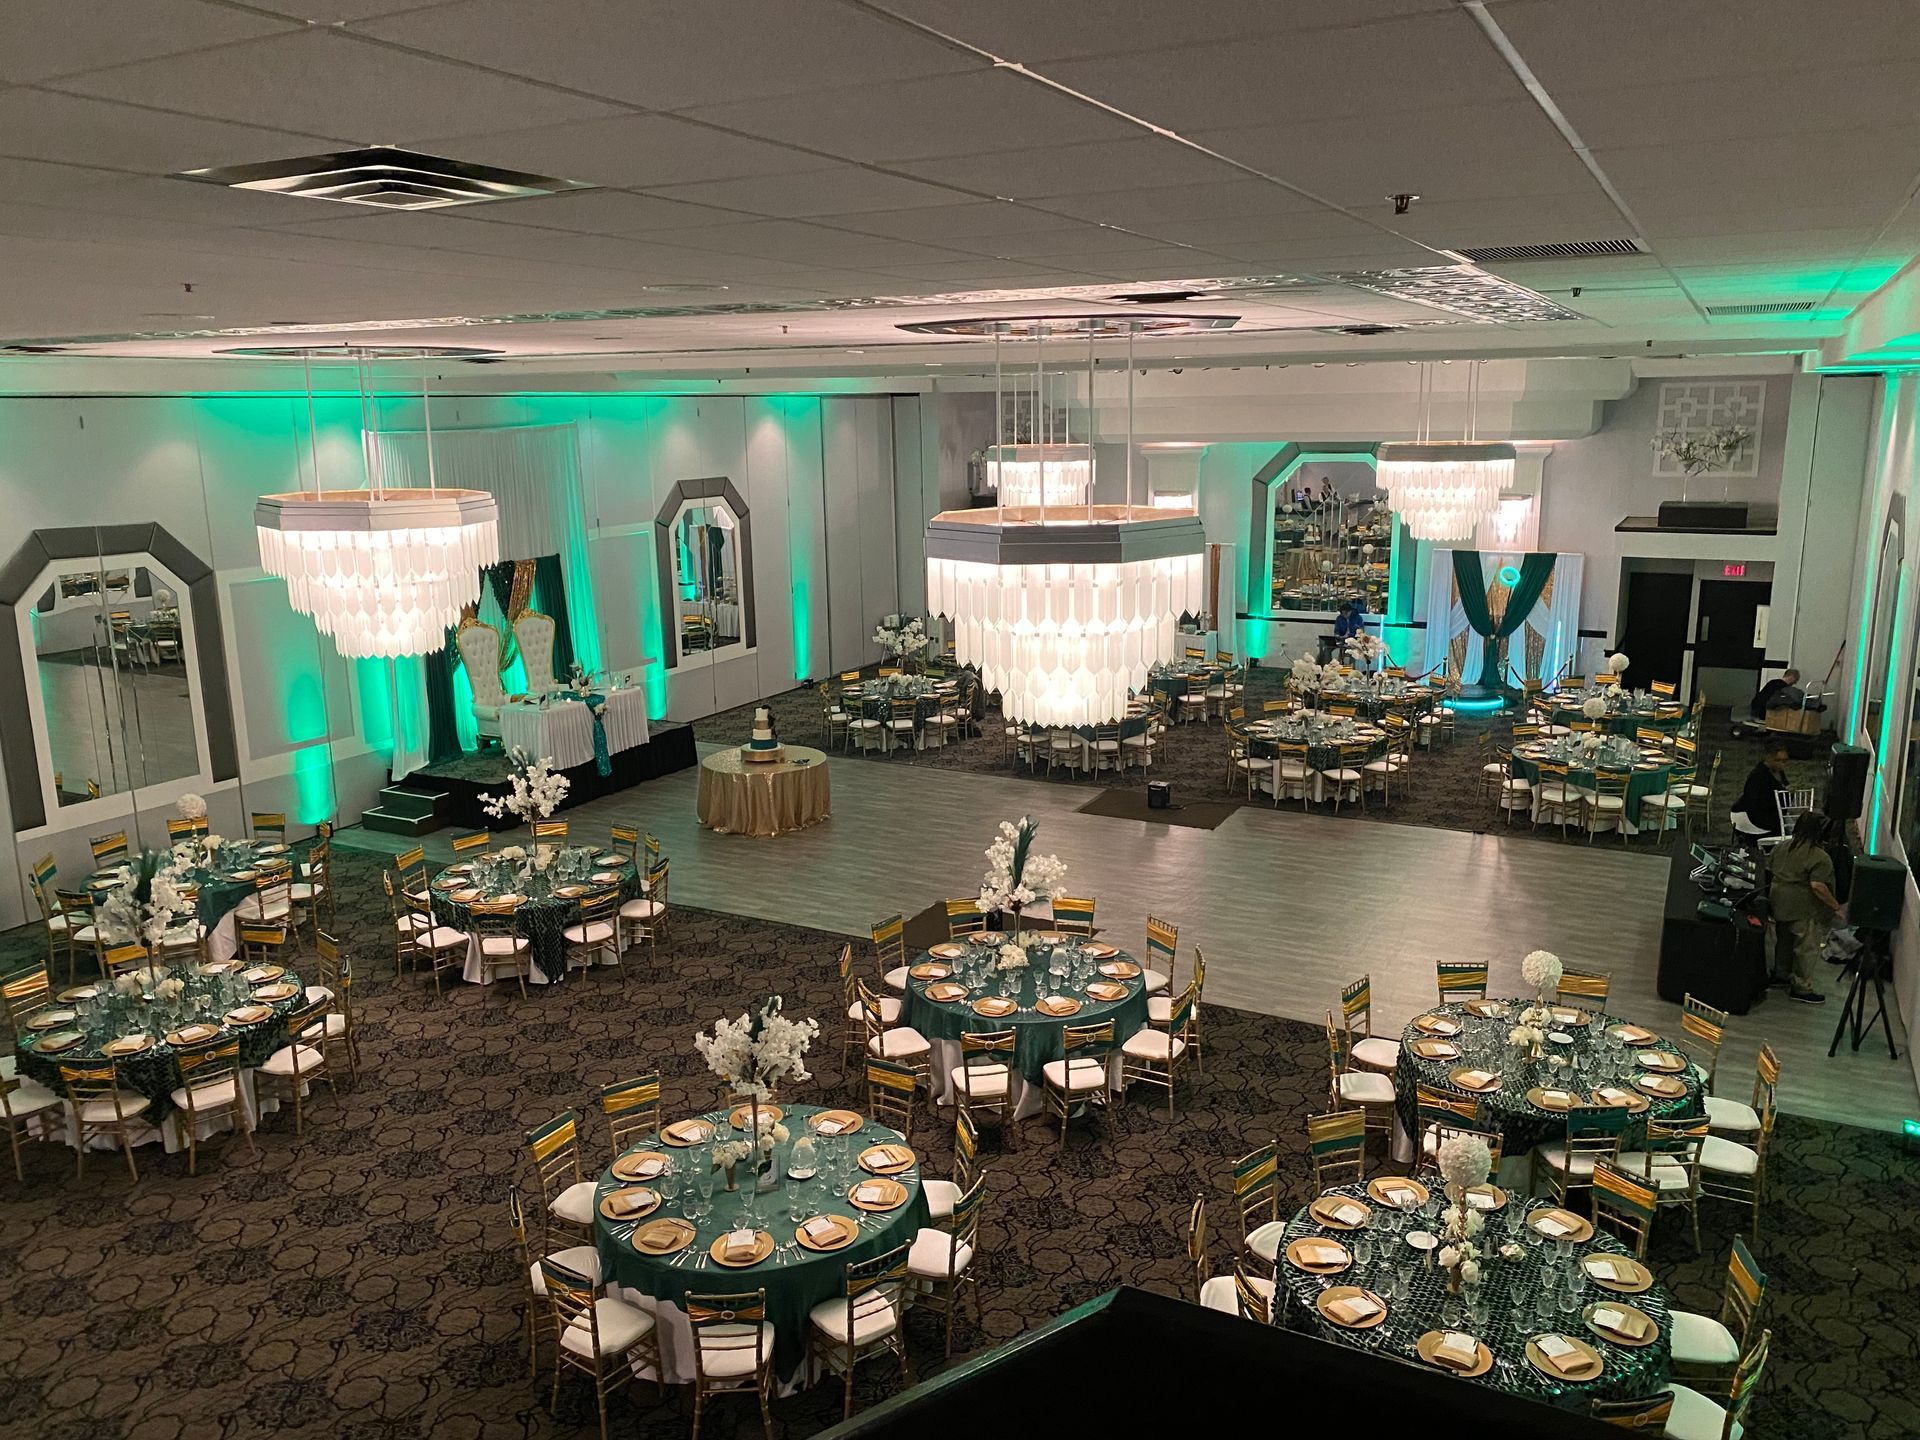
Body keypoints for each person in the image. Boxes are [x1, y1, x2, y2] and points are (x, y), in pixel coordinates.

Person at [1768, 809, 1843, 1003]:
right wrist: (1836, 907)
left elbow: (1769, 868)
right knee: (1806, 947)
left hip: (1778, 902)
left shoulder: (1782, 847)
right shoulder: (1819, 857)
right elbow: (1817, 886)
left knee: (1783, 940)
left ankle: (1781, 974)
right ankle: (1801, 987)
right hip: (1802, 907)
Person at [1731, 741, 1791, 838]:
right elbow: (1757, 800)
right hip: (1751, 816)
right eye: (1778, 760)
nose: (1781, 764)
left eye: (1784, 761)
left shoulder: (1779, 773)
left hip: (1770, 813)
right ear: (1768, 758)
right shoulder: (1759, 775)